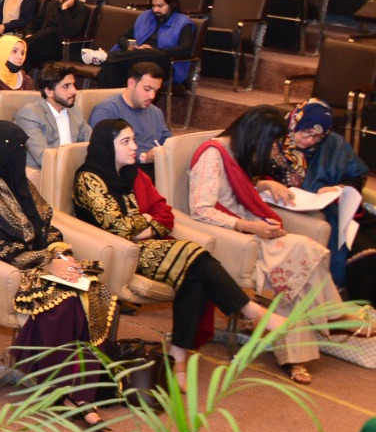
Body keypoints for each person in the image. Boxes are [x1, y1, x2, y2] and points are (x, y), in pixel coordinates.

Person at [74, 119, 292, 368]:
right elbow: (118, 228)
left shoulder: (135, 175)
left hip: (152, 246)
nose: (134, 146)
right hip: (120, 253)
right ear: (107, 146)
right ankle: (249, 310)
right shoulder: (89, 178)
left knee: (195, 278)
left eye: (133, 139)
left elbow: (165, 213)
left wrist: (147, 226)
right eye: (125, 142)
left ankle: (178, 358)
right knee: (193, 254)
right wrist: (146, 221)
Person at [187, 107, 371, 382]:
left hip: (250, 230)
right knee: (302, 253)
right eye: (272, 142)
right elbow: (200, 208)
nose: (272, 149)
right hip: (232, 237)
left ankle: (299, 354)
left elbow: (233, 190)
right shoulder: (213, 154)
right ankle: (331, 317)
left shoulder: (234, 150)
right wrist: (250, 226)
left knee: (294, 272)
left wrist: (262, 186)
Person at [0, 122, 118, 428]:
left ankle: (83, 388)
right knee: (63, 300)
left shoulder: (20, 182)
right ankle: (68, 391)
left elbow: (46, 225)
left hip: (41, 262)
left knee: (90, 287)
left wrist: (60, 255)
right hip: (5, 271)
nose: (21, 155)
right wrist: (45, 262)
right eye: (15, 149)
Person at [269, 99, 376, 299]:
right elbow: (256, 180)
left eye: (317, 136)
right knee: (364, 255)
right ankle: (355, 304)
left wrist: (339, 188)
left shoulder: (333, 144)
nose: (310, 140)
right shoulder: (273, 145)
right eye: (306, 132)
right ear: (295, 123)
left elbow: (358, 175)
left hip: (340, 209)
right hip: (304, 213)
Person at [97, 0, 196, 90]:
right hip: (138, 59)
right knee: (111, 68)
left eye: (160, 6)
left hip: (165, 62)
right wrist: (130, 47)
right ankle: (109, 99)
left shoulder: (183, 23)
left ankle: (109, 57)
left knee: (154, 54)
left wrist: (154, 50)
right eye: (153, 6)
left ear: (171, 5)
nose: (155, 10)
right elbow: (122, 37)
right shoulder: (145, 17)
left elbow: (185, 50)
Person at [88, 62, 170, 168]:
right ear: (131, 83)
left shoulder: (156, 112)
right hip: (127, 169)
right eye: (147, 89)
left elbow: (168, 141)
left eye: (156, 91)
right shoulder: (107, 111)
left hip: (158, 166)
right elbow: (104, 151)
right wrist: (143, 157)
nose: (152, 96)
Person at [15, 64, 90, 172]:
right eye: (66, 86)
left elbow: (93, 143)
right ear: (49, 91)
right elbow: (44, 158)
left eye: (73, 85)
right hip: (42, 173)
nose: (74, 91)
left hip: (72, 169)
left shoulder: (74, 110)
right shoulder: (30, 114)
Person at [25, 0, 90, 68]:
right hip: (43, 45)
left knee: (49, 33)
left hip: (62, 48)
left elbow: (73, 32)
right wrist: (29, 34)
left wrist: (65, 9)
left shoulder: (82, 10)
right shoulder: (50, 5)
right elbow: (33, 23)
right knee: (30, 51)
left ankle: (20, 46)